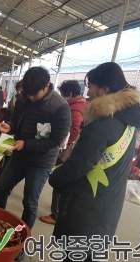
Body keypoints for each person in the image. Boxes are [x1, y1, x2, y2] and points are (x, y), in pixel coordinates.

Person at [48, 62, 140, 262]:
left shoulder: (103, 123)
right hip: (108, 203)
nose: (88, 91)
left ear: (105, 89)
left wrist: (53, 178)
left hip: (87, 207)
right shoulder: (129, 120)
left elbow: (77, 166)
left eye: (91, 86)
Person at [0, 66, 71, 260]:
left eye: (34, 95)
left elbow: (55, 142)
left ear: (47, 85)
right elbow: (16, 118)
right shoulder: (24, 98)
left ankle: (21, 244)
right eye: (27, 94)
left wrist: (25, 144)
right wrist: (9, 126)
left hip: (41, 162)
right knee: (1, 188)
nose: (30, 98)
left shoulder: (60, 107)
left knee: (29, 202)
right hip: (19, 155)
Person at [40, 80, 87, 225]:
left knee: (58, 180)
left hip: (67, 150)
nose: (62, 97)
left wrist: (64, 144)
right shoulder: (80, 104)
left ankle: (55, 214)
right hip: (71, 149)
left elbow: (75, 129)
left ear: (70, 94)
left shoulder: (75, 108)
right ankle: (59, 210)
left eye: (63, 94)